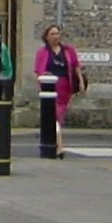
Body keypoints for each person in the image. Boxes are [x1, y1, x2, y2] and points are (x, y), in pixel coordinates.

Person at [34, 24, 85, 155]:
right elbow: (37, 70)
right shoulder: (42, 52)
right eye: (53, 34)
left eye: (57, 33)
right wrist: (40, 84)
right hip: (49, 86)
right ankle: (59, 146)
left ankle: (55, 143)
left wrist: (80, 82)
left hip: (64, 86)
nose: (56, 36)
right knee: (54, 114)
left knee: (57, 113)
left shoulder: (68, 50)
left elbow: (75, 66)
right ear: (46, 37)